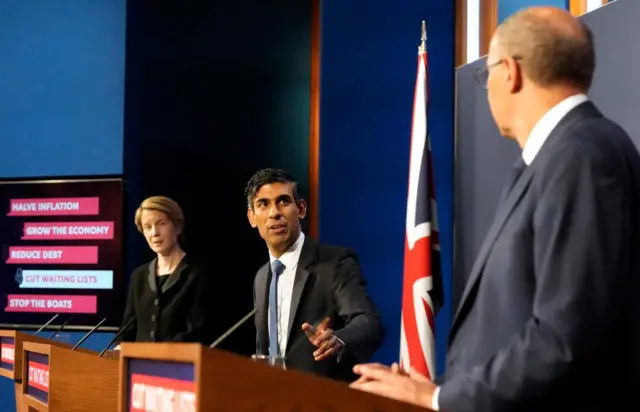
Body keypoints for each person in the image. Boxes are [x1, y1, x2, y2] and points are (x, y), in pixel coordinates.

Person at [351, 6, 640, 411]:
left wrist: (440, 399)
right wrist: (443, 384)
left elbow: (565, 336)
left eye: (485, 75)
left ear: (510, 72)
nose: (487, 89)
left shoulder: (583, 156)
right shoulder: (556, 158)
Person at [246, 168, 384, 381]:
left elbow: (368, 322)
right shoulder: (261, 277)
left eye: (283, 201)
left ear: (301, 209)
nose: (274, 212)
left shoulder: (334, 263)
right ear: (252, 217)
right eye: (263, 204)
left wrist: (338, 339)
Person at [117, 196, 211, 344]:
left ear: (177, 227)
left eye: (161, 224)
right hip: (138, 366)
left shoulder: (197, 274)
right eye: (147, 227)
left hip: (179, 364)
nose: (154, 233)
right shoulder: (139, 276)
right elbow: (128, 329)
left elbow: (197, 331)